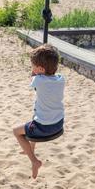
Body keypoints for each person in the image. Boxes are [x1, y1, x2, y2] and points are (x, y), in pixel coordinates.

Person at [13, 44, 65, 178]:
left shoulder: (38, 80)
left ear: (40, 69)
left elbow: (33, 77)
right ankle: (31, 148)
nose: (32, 68)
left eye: (33, 65)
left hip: (44, 128)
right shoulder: (61, 79)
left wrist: (35, 72)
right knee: (35, 116)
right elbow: (48, 73)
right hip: (58, 124)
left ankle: (34, 161)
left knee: (16, 132)